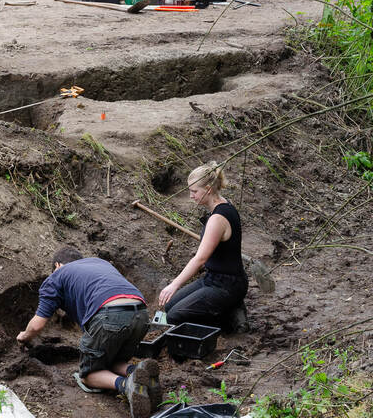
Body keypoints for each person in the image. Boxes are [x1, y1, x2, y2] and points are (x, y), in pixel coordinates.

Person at [17, 246, 161, 418]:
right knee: (111, 360)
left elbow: (37, 325)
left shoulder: (57, 276)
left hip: (110, 314)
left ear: (57, 265)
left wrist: (24, 336)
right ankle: (136, 370)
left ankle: (126, 385)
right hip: (141, 313)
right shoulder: (98, 263)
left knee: (88, 375)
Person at [159, 162, 249, 330]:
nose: (191, 196)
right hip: (213, 278)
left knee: (174, 316)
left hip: (227, 284)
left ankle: (229, 319)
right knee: (170, 306)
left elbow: (200, 259)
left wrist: (174, 284)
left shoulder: (218, 218)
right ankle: (227, 310)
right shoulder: (222, 205)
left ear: (208, 189)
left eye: (194, 191)